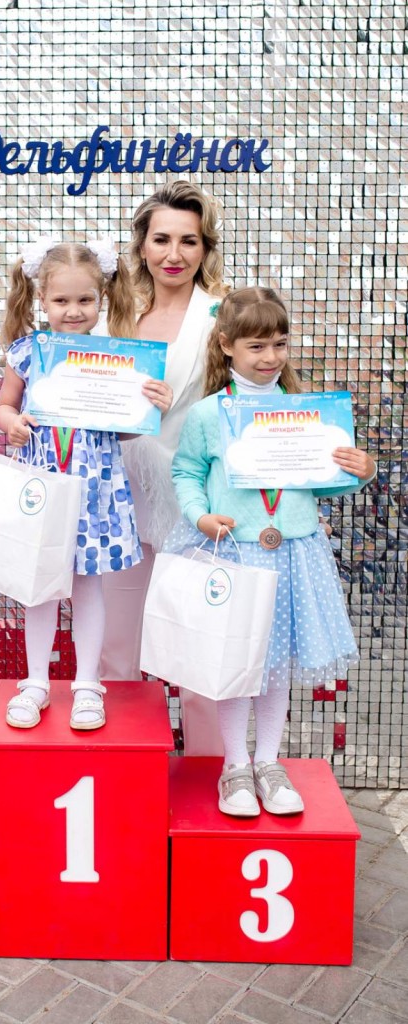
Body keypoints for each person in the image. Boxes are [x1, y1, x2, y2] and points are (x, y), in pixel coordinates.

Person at [168, 286, 376, 815]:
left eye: (279, 344)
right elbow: (186, 471)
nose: (270, 357)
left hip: (294, 553)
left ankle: (268, 762)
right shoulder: (209, 415)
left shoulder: (308, 413)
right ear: (227, 345)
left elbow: (319, 482)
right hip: (236, 552)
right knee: (239, 660)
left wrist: (358, 472)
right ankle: (235, 766)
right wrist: (199, 515)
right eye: (257, 346)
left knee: (276, 661)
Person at [0, 239, 167, 730]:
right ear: (41, 300)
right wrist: (12, 424)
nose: (73, 311)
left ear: (102, 298)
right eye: (61, 300)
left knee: (90, 589)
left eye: (85, 300)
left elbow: (126, 432)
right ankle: (35, 682)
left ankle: (88, 684)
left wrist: (152, 408)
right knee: (40, 590)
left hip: (97, 493)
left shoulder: (118, 360)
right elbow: (4, 406)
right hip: (42, 491)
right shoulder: (26, 353)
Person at [100, 179, 227, 754]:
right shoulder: (112, 314)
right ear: (142, 245)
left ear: (205, 249)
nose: (174, 254)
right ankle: (120, 770)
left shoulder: (222, 317)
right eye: (162, 240)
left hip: (193, 501)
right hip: (117, 494)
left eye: (188, 241)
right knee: (115, 645)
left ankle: (208, 767)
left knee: (198, 646)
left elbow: (244, 405)